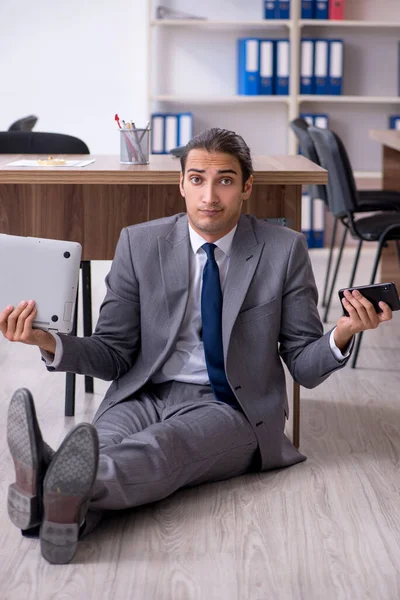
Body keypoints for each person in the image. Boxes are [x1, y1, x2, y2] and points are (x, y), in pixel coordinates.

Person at [1, 128, 392, 565]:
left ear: (246, 187)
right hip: (143, 393)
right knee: (100, 446)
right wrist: (46, 340)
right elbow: (113, 352)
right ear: (181, 183)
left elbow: (302, 365)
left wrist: (341, 333)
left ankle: (48, 480)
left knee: (164, 448)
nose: (209, 195)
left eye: (224, 180)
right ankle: (58, 515)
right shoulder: (140, 243)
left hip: (229, 405)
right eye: (197, 179)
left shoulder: (283, 250)